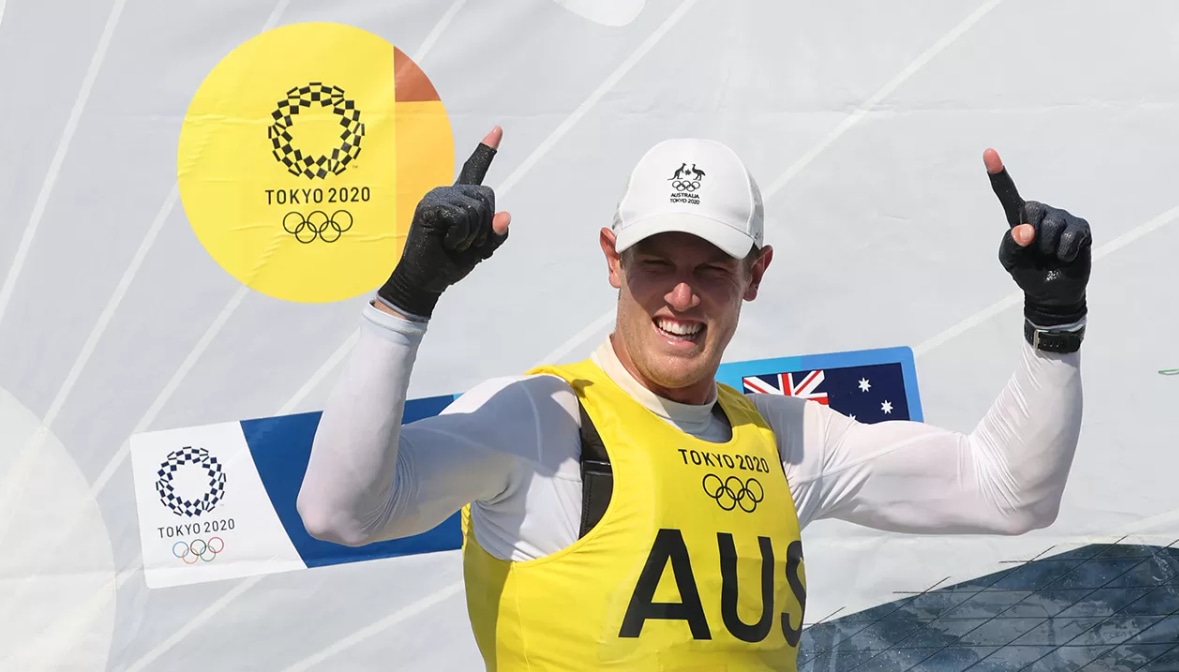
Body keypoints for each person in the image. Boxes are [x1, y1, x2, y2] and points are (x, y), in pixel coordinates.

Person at [296, 125, 1089, 671]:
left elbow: (1011, 492)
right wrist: (407, 300)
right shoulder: (541, 420)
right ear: (613, 258)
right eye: (653, 262)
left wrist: (1054, 324)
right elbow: (341, 513)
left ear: (755, 273)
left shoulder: (785, 439)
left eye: (711, 267)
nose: (680, 295)